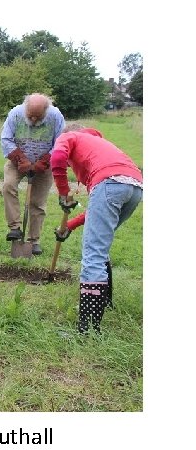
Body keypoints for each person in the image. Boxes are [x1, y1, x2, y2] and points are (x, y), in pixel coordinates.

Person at [51, 124, 143, 335]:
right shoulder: (100, 145)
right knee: (100, 247)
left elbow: (57, 157)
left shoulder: (70, 136)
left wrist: (63, 192)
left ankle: (88, 330)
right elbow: (99, 209)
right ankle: (104, 302)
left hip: (110, 184)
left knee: (93, 255)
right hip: (134, 187)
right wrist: (70, 225)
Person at [0, 93, 65, 255]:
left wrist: (44, 162)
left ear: (46, 110)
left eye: (38, 116)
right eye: (31, 116)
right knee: (8, 186)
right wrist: (21, 159)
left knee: (37, 202)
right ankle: (15, 228)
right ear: (26, 109)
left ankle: (34, 240)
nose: (34, 119)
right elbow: (6, 139)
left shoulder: (56, 116)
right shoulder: (16, 113)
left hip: (44, 164)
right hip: (17, 161)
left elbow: (61, 143)